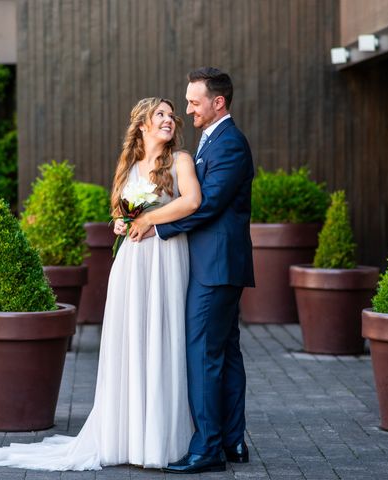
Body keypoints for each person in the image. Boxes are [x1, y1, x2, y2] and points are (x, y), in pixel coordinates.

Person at [0, 97, 201, 471]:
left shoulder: (181, 160)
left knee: (163, 337)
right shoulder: (128, 164)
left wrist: (149, 221)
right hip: (131, 261)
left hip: (166, 257)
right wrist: (121, 222)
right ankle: (126, 435)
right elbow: (119, 209)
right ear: (143, 124)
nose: (169, 119)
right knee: (131, 340)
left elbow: (193, 202)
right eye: (159, 114)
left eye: (170, 114)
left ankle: (160, 438)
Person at [129, 67, 255, 474]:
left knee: (203, 355)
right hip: (214, 264)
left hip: (215, 267)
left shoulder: (230, 143)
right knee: (226, 354)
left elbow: (208, 203)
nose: (187, 109)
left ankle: (206, 450)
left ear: (218, 102)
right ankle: (233, 441)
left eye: (194, 102)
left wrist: (155, 225)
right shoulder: (210, 140)